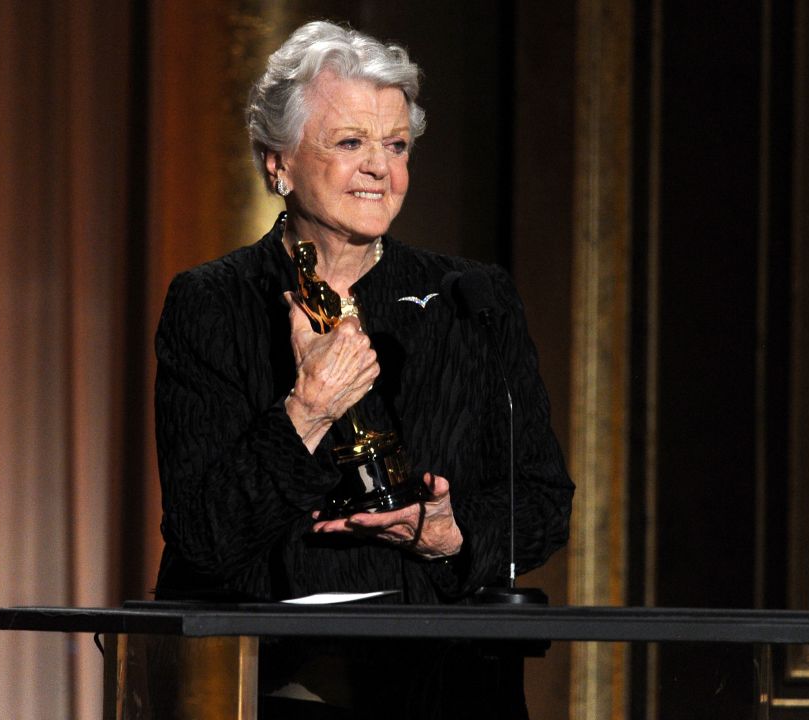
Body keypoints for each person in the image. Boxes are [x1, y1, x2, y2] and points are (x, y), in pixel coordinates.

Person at [153, 20, 574, 719]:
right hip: (287, 682)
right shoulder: (212, 303)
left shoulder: (472, 298)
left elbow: (541, 501)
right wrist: (307, 410)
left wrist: (450, 530)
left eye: (397, 145)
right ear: (277, 163)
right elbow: (203, 536)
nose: (382, 168)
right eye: (351, 143)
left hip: (453, 685)